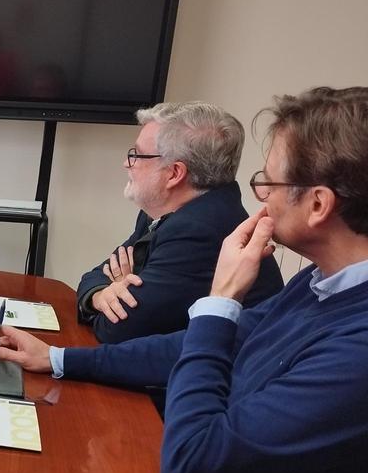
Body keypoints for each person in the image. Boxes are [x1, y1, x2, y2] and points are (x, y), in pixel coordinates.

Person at [0, 86, 368, 473]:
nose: (260, 202)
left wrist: (221, 297)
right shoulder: (325, 282)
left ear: (319, 204)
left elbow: (192, 457)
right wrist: (59, 359)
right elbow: (199, 346)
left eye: (269, 185)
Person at [77, 101, 283, 344]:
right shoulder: (162, 212)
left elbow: (116, 330)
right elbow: (95, 275)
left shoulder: (200, 230)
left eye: (137, 155)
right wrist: (100, 295)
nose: (127, 164)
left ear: (174, 174)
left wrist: (118, 291)